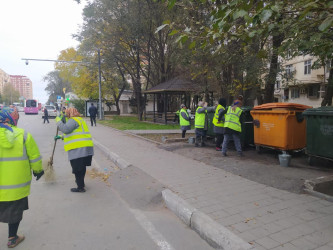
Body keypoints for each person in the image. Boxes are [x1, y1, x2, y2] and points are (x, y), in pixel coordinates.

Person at [0, 107, 44, 248]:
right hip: (16, 186)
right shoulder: (23, 135)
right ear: (10, 119)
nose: (17, 120)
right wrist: (38, 171)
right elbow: (34, 157)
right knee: (15, 212)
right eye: (16, 117)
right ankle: (12, 238)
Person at [55, 107, 94, 192]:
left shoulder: (73, 120)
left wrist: (58, 121)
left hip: (79, 148)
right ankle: (81, 184)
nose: (65, 115)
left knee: (77, 169)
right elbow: (75, 133)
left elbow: (65, 129)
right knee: (82, 167)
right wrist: (61, 137)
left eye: (66, 113)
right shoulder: (80, 119)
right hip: (86, 147)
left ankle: (80, 187)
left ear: (69, 113)